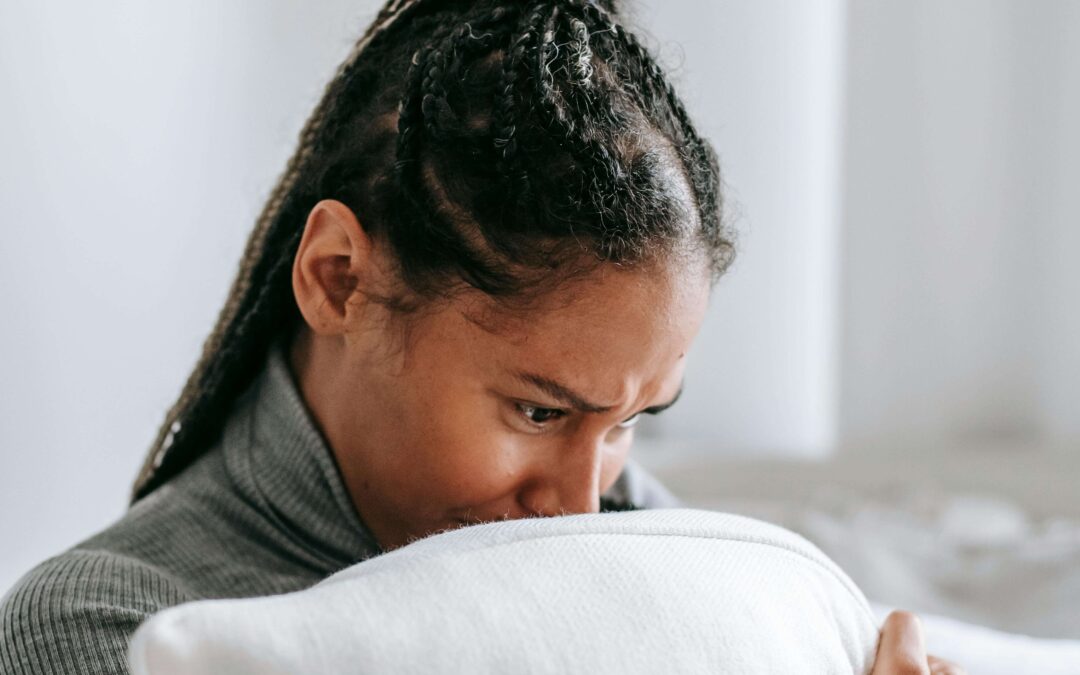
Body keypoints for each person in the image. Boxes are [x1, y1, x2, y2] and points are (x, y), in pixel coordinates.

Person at [0, 1, 963, 673]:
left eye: (632, 420)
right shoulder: (107, 625)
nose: (584, 508)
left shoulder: (642, 537)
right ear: (339, 278)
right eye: (540, 408)